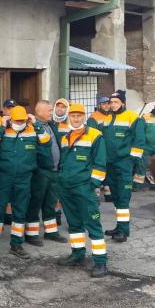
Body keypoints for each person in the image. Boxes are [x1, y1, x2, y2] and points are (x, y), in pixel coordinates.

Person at [0, 105, 51, 259]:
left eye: (22, 120)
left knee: (20, 212)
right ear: (11, 119)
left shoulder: (32, 130)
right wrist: (2, 127)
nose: (19, 123)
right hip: (2, 177)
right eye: (17, 121)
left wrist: (36, 124)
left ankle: (16, 245)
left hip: (23, 178)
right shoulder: (1, 130)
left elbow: (46, 141)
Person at [55, 103, 109, 277]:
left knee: (93, 224)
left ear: (84, 117)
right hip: (66, 188)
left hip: (84, 188)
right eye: (73, 116)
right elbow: (63, 163)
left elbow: (100, 163)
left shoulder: (95, 135)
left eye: (79, 116)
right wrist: (61, 180)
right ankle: (78, 254)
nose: (76, 119)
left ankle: (100, 262)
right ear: (69, 117)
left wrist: (93, 185)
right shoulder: (65, 138)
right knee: (74, 223)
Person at [98, 90, 145, 243]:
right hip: (110, 164)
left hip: (124, 164)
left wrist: (131, 161)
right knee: (116, 197)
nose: (112, 105)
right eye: (111, 102)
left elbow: (139, 141)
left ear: (123, 103)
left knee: (123, 198)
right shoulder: (108, 118)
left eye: (116, 102)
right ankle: (119, 227)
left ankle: (123, 231)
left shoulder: (133, 117)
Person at [24, 100, 68, 246]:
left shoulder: (51, 125)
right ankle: (31, 235)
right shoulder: (31, 127)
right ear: (39, 112)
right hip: (40, 172)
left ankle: (51, 232)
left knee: (51, 203)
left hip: (54, 171)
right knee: (35, 203)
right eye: (49, 110)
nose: (51, 112)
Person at [88, 95, 113, 201]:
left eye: (108, 103)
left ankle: (108, 191)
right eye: (104, 104)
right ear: (99, 105)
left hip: (109, 147)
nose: (106, 106)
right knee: (98, 168)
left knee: (108, 168)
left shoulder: (112, 116)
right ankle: (96, 192)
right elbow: (91, 134)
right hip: (98, 147)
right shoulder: (93, 118)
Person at [50, 98, 71, 223]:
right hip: (53, 163)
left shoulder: (70, 124)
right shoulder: (50, 123)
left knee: (67, 192)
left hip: (66, 163)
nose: (60, 109)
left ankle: (72, 220)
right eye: (58, 106)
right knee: (54, 192)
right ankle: (56, 216)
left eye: (63, 107)